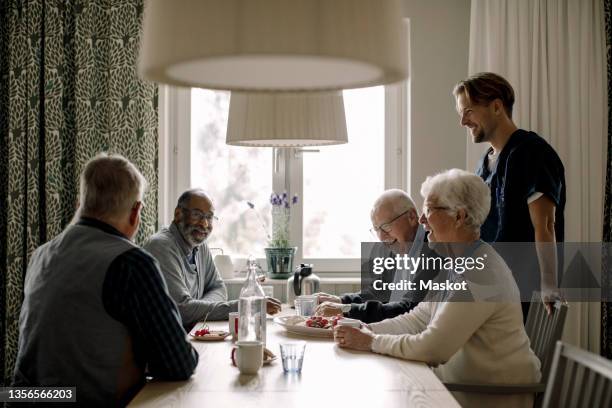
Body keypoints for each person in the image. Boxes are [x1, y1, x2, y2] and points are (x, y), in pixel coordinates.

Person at [333, 169, 541, 408]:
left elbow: (433, 348)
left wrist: (370, 341)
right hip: (455, 388)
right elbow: (417, 319)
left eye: (430, 210)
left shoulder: (482, 274)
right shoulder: (457, 262)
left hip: (488, 397)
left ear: (460, 216)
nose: (422, 220)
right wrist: (364, 328)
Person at [12, 154, 198, 407]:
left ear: (81, 203)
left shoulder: (40, 255)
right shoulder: (131, 263)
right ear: (136, 212)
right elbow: (178, 363)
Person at [453, 72, 566, 314]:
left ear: (496, 107)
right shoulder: (485, 163)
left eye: (468, 111)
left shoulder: (530, 153)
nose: (463, 122)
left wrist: (548, 284)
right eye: (460, 114)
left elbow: (545, 225)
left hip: (520, 292)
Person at [144, 189, 281, 328]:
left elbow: (219, 289)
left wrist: (197, 310)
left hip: (191, 335)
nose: (204, 224)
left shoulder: (199, 245)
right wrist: (247, 306)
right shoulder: (161, 246)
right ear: (178, 214)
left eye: (209, 217)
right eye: (197, 215)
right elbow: (182, 311)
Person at [314, 189, 438, 323]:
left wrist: (346, 309)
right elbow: (380, 292)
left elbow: (407, 308)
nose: (381, 237)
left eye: (386, 226)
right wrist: (341, 301)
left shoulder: (433, 248)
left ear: (412, 217)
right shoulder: (398, 245)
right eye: (377, 229)